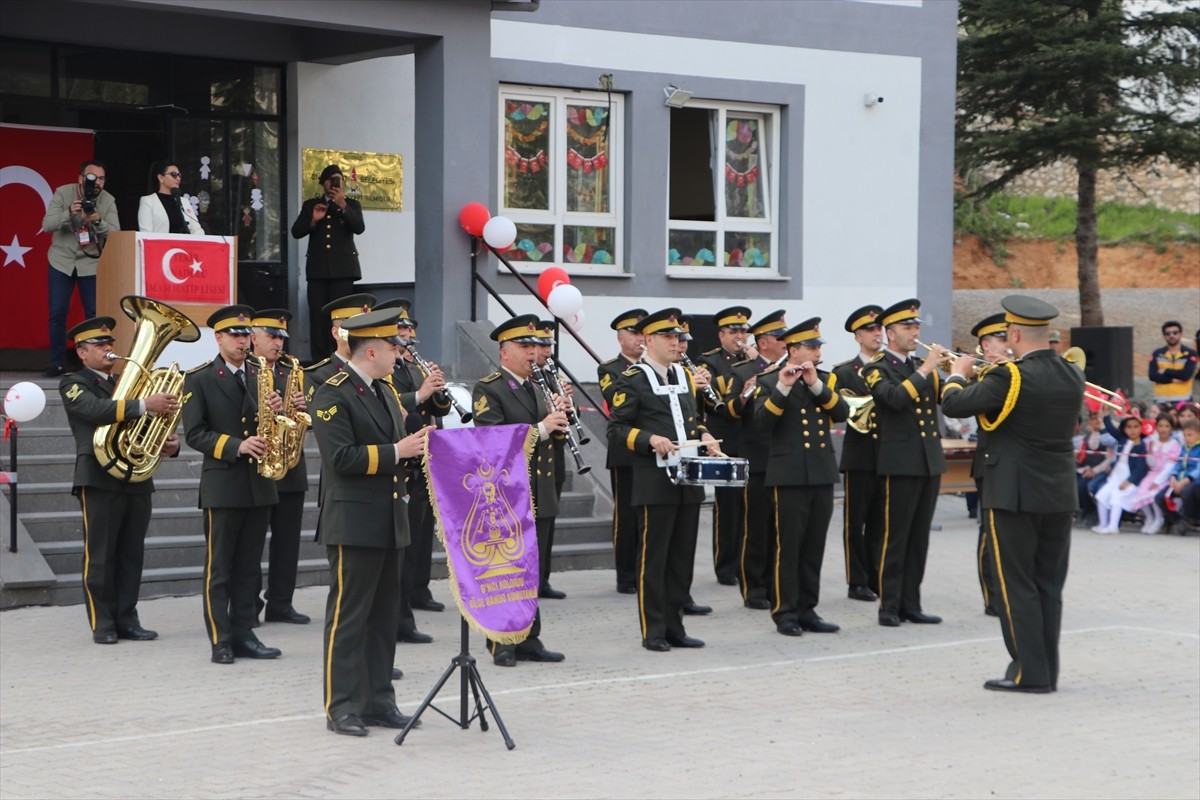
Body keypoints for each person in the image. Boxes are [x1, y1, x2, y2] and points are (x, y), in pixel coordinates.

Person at [941, 295, 1085, 693]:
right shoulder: (1073, 372)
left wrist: (957, 371)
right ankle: (1045, 669)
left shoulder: (1009, 377)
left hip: (1014, 493)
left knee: (1015, 585)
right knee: (1048, 586)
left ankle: (1028, 673)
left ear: (1016, 333)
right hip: (1058, 492)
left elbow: (954, 404)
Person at [309, 308, 429, 737]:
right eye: (395, 348)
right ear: (373, 349)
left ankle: (379, 700)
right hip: (354, 521)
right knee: (349, 617)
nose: (400, 355)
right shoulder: (332, 392)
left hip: (390, 517)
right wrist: (399, 451)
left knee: (383, 617)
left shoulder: (386, 391)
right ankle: (340, 705)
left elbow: (400, 452)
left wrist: (418, 454)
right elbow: (340, 459)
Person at [607, 308, 724, 652]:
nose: (677, 343)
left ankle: (675, 626)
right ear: (648, 341)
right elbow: (616, 429)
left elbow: (689, 424)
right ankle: (653, 630)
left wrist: (706, 436)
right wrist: (649, 440)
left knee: (681, 557)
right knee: (654, 559)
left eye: (680, 338)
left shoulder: (685, 376)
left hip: (688, 479)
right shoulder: (633, 378)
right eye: (669, 338)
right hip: (654, 481)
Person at [59, 316, 180, 643]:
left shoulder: (127, 382)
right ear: (82, 353)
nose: (108, 349)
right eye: (99, 345)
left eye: (110, 343)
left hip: (135, 477)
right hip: (98, 477)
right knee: (100, 554)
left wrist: (166, 442)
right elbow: (96, 411)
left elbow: (142, 423)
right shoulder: (73, 382)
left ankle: (128, 618)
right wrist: (144, 404)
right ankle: (103, 623)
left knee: (130, 554)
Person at [181, 305, 283, 664]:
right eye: (235, 336)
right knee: (220, 568)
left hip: (259, 483)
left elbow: (270, 421)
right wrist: (236, 446)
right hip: (223, 484)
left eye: (246, 335)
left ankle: (245, 633)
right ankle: (220, 638)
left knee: (249, 567)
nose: (242, 341)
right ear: (219, 338)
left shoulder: (262, 374)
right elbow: (195, 434)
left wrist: (278, 408)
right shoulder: (200, 378)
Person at [470, 314, 568, 667]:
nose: (532, 353)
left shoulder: (538, 385)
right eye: (524, 347)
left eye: (534, 347)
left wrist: (560, 421)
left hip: (539, 487)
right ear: (504, 352)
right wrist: (543, 427)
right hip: (507, 495)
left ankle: (530, 637)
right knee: (508, 569)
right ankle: (502, 642)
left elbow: (547, 437)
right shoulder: (489, 388)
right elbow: (491, 441)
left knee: (533, 569)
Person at [754, 318, 848, 636]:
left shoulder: (824, 379)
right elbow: (763, 422)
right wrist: (783, 386)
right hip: (789, 475)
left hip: (821, 473)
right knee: (789, 546)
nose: (817, 351)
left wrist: (815, 385)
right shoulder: (769, 381)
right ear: (793, 349)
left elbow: (844, 412)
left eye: (818, 346)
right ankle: (785, 612)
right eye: (811, 346)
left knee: (814, 545)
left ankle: (808, 609)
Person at [860, 299, 949, 628]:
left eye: (917, 327)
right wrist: (927, 368)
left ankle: (912, 602)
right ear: (890, 333)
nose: (915, 333)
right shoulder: (876, 368)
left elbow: (950, 403)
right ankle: (889, 605)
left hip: (929, 461)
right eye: (907, 327)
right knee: (895, 536)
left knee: (918, 537)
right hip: (898, 463)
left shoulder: (919, 367)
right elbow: (894, 400)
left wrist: (961, 373)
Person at [373, 298, 449, 645]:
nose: (406, 338)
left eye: (409, 333)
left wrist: (437, 389)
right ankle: (400, 616)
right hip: (398, 462)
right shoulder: (385, 372)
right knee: (401, 546)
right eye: (400, 333)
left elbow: (437, 407)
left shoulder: (412, 368)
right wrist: (419, 394)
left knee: (419, 536)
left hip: (424, 459)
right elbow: (392, 403)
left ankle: (417, 592)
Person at [250, 309, 310, 624]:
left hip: (290, 465)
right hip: (257, 465)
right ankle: (250, 604)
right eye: (272, 337)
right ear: (253, 338)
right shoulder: (245, 369)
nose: (278, 344)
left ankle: (281, 603)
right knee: (253, 540)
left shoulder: (293, 369)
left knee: (287, 542)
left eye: (281, 338)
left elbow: (309, 416)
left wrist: (302, 407)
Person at [728, 309, 787, 610]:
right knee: (756, 527)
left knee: (781, 528)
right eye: (780, 337)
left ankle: (777, 584)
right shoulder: (742, 372)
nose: (787, 341)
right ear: (763, 343)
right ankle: (753, 587)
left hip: (785, 458)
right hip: (758, 459)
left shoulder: (792, 370)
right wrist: (744, 395)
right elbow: (730, 411)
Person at [40, 160, 119, 377]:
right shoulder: (64, 193)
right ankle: (57, 362)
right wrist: (68, 213)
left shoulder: (108, 200)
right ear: (81, 178)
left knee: (94, 314)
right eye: (93, 177)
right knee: (57, 313)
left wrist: (98, 220)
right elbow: (47, 224)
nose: (97, 183)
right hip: (61, 261)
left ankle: (94, 365)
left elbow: (116, 233)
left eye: (102, 178)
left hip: (90, 263)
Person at [696, 306, 753, 586]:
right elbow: (712, 396)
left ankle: (747, 562)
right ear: (721, 335)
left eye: (744, 331)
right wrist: (743, 376)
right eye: (734, 332)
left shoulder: (756, 360)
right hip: (725, 440)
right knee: (728, 507)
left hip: (751, 438)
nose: (740, 337)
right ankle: (725, 565)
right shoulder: (709, 362)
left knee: (752, 506)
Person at [831, 304, 885, 603]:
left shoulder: (892, 367)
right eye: (869, 330)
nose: (876, 334)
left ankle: (877, 577)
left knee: (880, 521)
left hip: (886, 454)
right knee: (856, 522)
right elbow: (835, 410)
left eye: (879, 329)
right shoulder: (843, 373)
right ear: (857, 337)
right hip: (859, 455)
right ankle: (857, 580)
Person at [292, 164, 366, 360]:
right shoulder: (311, 205)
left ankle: (342, 359)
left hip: (343, 271)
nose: (335, 182)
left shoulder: (351, 204)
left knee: (340, 319)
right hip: (317, 271)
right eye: (331, 179)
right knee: (318, 319)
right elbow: (296, 232)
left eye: (338, 179)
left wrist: (343, 205)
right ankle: (320, 361)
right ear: (323, 183)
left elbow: (359, 227)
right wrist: (314, 221)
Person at [598, 308, 648, 595]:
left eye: (643, 333)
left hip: (652, 451)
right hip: (625, 451)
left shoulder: (656, 367)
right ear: (621, 338)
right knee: (627, 517)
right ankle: (625, 575)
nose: (640, 338)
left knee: (648, 515)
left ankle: (645, 570)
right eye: (634, 333)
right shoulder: (610, 369)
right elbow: (616, 401)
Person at [966, 312, 1010, 617]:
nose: (1009, 344)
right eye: (1002, 339)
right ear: (985, 344)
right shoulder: (981, 375)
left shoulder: (1016, 370)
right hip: (990, 462)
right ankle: (993, 597)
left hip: (1017, 463)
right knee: (990, 532)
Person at [534, 319, 571, 600]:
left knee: (550, 520)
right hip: (531, 460)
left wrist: (567, 408)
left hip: (554, 457)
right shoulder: (526, 380)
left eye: (549, 346)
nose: (547, 352)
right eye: (541, 345)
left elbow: (570, 421)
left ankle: (543, 578)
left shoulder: (551, 376)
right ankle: (532, 580)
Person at [304, 293, 377, 398]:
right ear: (336, 333)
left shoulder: (377, 370)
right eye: (354, 330)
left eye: (366, 330)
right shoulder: (318, 376)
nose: (362, 337)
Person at [1092, 415, 1148, 535]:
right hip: (1116, 477)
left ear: (1141, 428)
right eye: (1129, 427)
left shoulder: (1142, 446)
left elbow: (1140, 469)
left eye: (1136, 427)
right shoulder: (1123, 439)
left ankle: (1113, 526)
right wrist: (1106, 416)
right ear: (1124, 429)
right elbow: (1111, 429)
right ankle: (1103, 523)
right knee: (1102, 495)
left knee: (1117, 498)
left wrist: (1130, 481)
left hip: (1130, 480)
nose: (1133, 430)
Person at [1127, 413, 1180, 535]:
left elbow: (1170, 466)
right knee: (1141, 491)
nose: (1163, 429)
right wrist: (1150, 452)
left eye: (1167, 426)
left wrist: (1158, 481)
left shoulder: (1174, 445)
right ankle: (1149, 517)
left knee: (1154, 494)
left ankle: (1158, 518)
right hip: (1152, 473)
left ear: (1171, 428)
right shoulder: (1152, 442)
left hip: (1165, 476)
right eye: (1160, 426)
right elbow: (1151, 463)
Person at [137, 159, 203, 234]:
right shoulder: (148, 201)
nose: (178, 178)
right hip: (161, 245)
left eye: (179, 175)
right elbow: (146, 233)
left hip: (185, 245)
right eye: (174, 174)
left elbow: (196, 228)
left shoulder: (184, 201)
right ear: (161, 177)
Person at [1075, 411, 1116, 528]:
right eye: (1093, 419)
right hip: (1087, 468)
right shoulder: (1087, 437)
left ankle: (1093, 511)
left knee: (1086, 486)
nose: (1096, 422)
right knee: (1075, 485)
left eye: (1098, 419)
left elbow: (1109, 459)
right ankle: (1084, 509)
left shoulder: (1107, 437)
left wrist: (1095, 470)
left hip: (1101, 470)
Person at [1161, 418, 1200, 534]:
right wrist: (1173, 476)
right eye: (1185, 435)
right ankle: (1178, 520)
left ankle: (1191, 519)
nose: (1187, 438)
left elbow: (1198, 470)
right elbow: (1178, 464)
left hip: (1194, 482)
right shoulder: (1183, 448)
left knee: (1186, 492)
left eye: (1190, 435)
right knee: (1160, 497)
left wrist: (1183, 482)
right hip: (1178, 481)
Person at [1148, 321, 1198, 404]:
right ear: (1164, 336)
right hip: (1161, 401)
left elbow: (1186, 375)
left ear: (1181, 334)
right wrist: (1173, 379)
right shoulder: (1157, 353)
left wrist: (1165, 371)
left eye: (1175, 333)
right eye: (1168, 334)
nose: (1172, 335)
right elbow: (1153, 376)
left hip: (1183, 401)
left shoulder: (1190, 353)